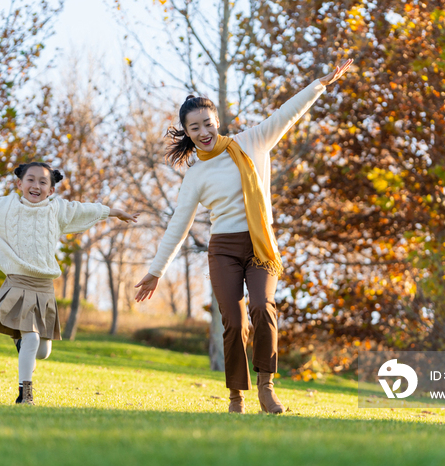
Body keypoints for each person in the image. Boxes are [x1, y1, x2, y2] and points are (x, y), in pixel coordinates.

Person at [134, 60, 353, 414]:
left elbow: (287, 113)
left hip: (259, 247)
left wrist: (320, 84)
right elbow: (179, 226)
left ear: (216, 120)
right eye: (195, 128)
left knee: (262, 307)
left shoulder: (251, 141)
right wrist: (156, 270)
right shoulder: (196, 174)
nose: (203, 131)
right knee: (233, 321)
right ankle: (236, 396)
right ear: (187, 133)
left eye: (207, 123)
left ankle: (266, 387)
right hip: (223, 250)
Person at [0, 162, 139, 405]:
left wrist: (113, 212)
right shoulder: (3, 208)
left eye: (43, 182)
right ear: (20, 184)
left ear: (51, 190)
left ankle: (21, 343)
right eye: (31, 180)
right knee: (31, 339)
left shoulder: (57, 210)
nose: (36, 186)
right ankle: (25, 394)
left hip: (44, 287)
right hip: (18, 282)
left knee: (42, 350)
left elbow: (83, 210)